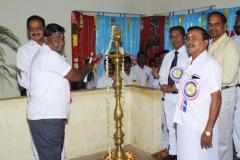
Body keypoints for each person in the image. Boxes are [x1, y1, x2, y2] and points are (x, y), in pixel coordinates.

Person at [28, 23, 93, 160]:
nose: (61, 42)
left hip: (47, 116)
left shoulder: (49, 55)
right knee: (51, 155)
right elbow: (76, 76)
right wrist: (88, 67)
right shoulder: (49, 56)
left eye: (63, 38)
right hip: (47, 117)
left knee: (51, 155)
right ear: (45, 39)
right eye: (57, 38)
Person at [16, 15, 66, 160]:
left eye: (38, 27)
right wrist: (39, 87)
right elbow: (22, 78)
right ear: (27, 31)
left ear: (44, 29)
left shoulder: (54, 46)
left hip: (56, 102)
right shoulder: (24, 50)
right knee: (42, 145)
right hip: (39, 101)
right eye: (31, 28)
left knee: (57, 141)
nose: (35, 31)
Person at [173, 26, 222, 160]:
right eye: (188, 38)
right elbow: (183, 96)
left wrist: (208, 130)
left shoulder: (210, 64)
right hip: (185, 124)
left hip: (200, 127)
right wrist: (179, 124)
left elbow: (216, 99)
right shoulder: (188, 63)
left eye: (195, 38)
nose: (189, 41)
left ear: (205, 42)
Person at [207, 11, 240, 160]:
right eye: (210, 24)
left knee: (223, 138)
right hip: (210, 95)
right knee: (212, 135)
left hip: (225, 94)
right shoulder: (209, 46)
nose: (213, 27)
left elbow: (228, 76)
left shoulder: (230, 45)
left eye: (217, 23)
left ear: (225, 26)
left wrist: (205, 80)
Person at [159, 26, 189, 160]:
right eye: (172, 36)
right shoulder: (169, 55)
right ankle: (173, 151)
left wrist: (175, 87)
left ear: (184, 37)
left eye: (177, 35)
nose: (174, 39)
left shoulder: (189, 54)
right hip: (168, 96)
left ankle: (184, 153)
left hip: (181, 95)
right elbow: (162, 73)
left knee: (182, 125)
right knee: (170, 125)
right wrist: (164, 85)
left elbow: (189, 76)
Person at [151, 50, 170, 160]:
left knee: (169, 127)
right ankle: (163, 149)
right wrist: (157, 77)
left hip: (169, 100)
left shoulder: (172, 70)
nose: (162, 60)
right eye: (161, 58)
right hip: (160, 101)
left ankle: (169, 150)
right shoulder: (158, 70)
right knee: (162, 126)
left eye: (164, 58)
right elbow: (154, 87)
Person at [232, 10, 240, 160]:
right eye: (237, 21)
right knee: (236, 123)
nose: (238, 24)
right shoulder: (233, 41)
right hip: (235, 87)